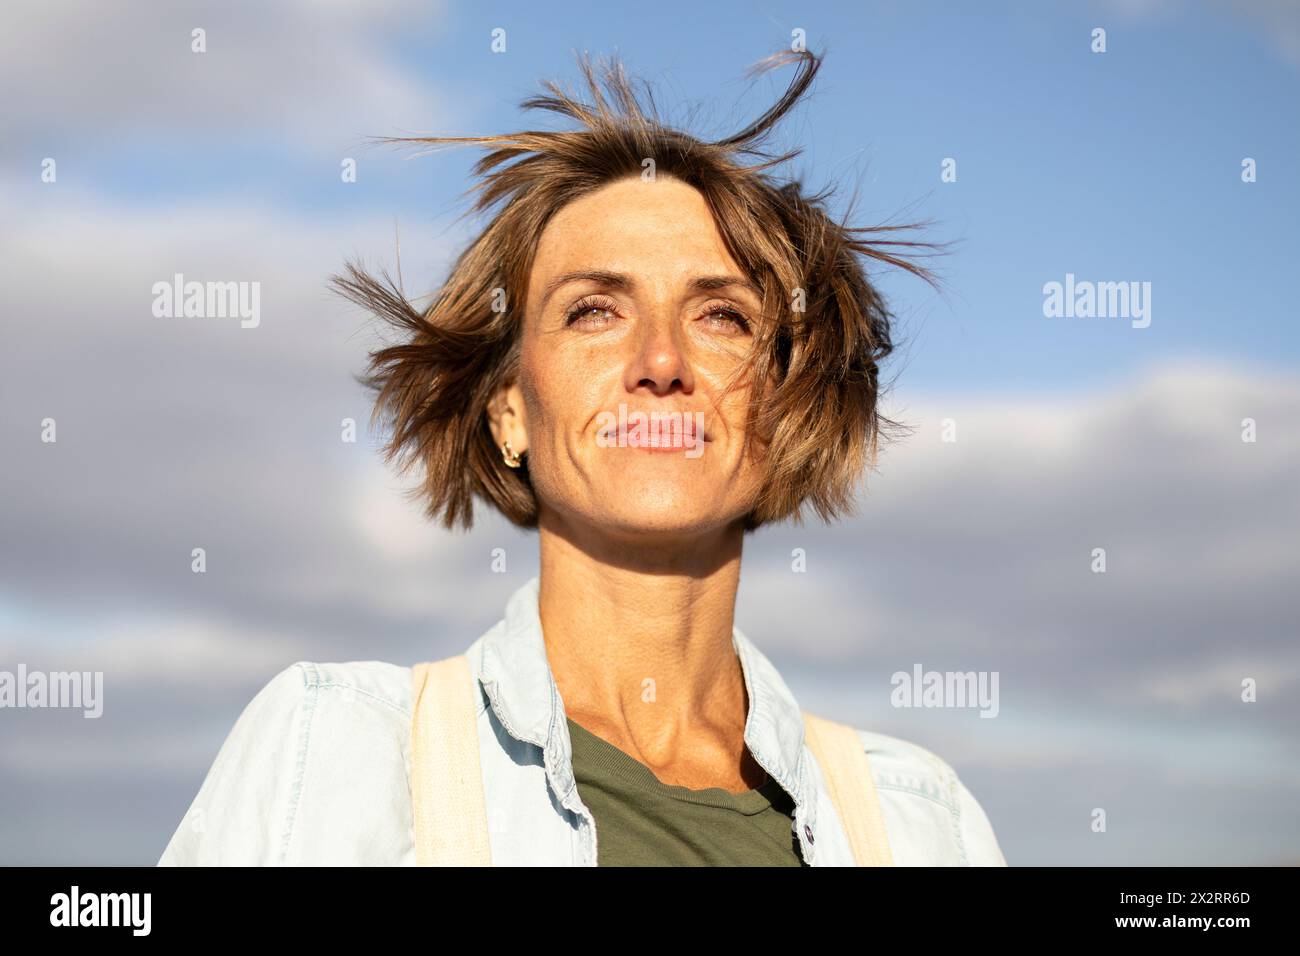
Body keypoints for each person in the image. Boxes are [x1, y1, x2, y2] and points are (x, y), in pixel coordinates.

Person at [158, 49, 1006, 867]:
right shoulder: (337, 753)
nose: (662, 362)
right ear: (510, 411)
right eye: (595, 311)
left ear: (787, 405)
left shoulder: (920, 822)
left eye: (723, 317)